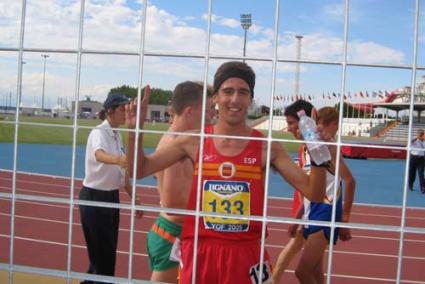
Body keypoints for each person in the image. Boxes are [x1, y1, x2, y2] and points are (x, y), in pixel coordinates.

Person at [126, 61, 330, 284]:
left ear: (250, 99)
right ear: (215, 98)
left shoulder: (266, 146)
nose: (234, 99)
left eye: (243, 92)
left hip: (247, 254)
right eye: (227, 91)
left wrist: (318, 157)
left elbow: (315, 194)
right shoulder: (193, 141)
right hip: (200, 253)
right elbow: (139, 170)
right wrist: (134, 133)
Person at [147, 81, 215, 283]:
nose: (212, 115)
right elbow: (172, 204)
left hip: (171, 232)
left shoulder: (173, 138)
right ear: (190, 111)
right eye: (209, 110)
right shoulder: (177, 145)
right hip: (174, 235)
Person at [79, 93, 142, 284]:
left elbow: (121, 174)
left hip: (111, 198)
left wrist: (133, 197)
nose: (126, 112)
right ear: (110, 111)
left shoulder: (116, 135)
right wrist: (120, 159)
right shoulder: (99, 132)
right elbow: (99, 155)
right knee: (102, 255)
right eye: (122, 109)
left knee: (106, 251)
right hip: (94, 198)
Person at [295, 106, 356, 284]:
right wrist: (299, 217)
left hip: (326, 212)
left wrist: (344, 219)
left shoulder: (330, 148)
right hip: (310, 212)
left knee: (302, 272)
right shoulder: (311, 147)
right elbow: (311, 188)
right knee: (315, 272)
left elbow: (350, 181)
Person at [273, 99, 314, 283]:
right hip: (310, 211)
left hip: (314, 212)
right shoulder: (304, 148)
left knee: (303, 266)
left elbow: (314, 189)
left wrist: (297, 218)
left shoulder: (314, 149)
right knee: (311, 270)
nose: (288, 128)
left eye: (291, 123)